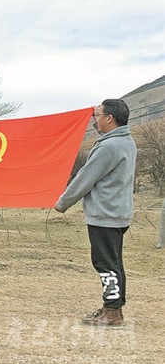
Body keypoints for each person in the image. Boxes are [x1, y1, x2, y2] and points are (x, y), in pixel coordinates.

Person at [55, 99, 136, 327]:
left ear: (109, 118)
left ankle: (112, 313)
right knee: (114, 262)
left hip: (105, 214)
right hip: (117, 212)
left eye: (97, 115)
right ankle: (113, 308)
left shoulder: (109, 146)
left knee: (105, 263)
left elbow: (85, 178)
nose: (94, 119)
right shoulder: (126, 141)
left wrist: (62, 202)